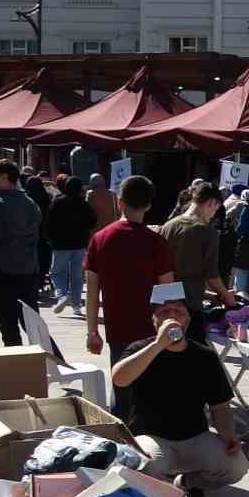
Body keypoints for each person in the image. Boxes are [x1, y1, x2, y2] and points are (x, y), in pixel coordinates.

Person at [112, 283, 248, 497]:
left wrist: (228, 435)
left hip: (195, 435)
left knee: (236, 466)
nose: (172, 316)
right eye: (165, 312)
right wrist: (158, 345)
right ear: (153, 319)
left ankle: (187, 484)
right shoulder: (140, 349)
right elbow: (120, 379)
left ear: (188, 319)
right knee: (143, 466)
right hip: (152, 436)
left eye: (179, 311)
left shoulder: (203, 356)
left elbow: (220, 404)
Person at [86, 175, 176, 421]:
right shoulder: (158, 242)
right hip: (152, 331)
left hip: (118, 329)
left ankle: (125, 440)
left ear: (120, 203)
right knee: (152, 395)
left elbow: (92, 290)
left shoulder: (99, 239)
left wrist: (92, 331)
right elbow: (168, 294)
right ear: (148, 206)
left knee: (122, 388)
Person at [0, 159, 42, 346]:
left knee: (9, 329)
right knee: (34, 327)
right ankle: (49, 361)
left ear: (4, 178)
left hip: (3, 273)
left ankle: (17, 367)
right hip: (28, 271)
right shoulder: (30, 203)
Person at [160, 183, 236, 340]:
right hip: (189, 307)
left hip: (164, 302)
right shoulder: (208, 232)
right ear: (211, 203)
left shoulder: (168, 226)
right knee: (193, 355)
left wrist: (211, 295)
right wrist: (227, 296)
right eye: (215, 209)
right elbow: (212, 275)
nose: (214, 214)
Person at [45, 175, 97, 317]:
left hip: (60, 244)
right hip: (79, 244)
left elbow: (49, 222)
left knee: (56, 272)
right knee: (77, 276)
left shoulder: (57, 202)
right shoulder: (83, 204)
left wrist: (49, 238)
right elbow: (92, 222)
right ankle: (76, 305)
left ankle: (61, 295)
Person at [24, 173, 53, 285]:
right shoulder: (46, 198)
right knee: (42, 258)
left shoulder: (26, 199)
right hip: (43, 233)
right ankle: (40, 279)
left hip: (29, 233)